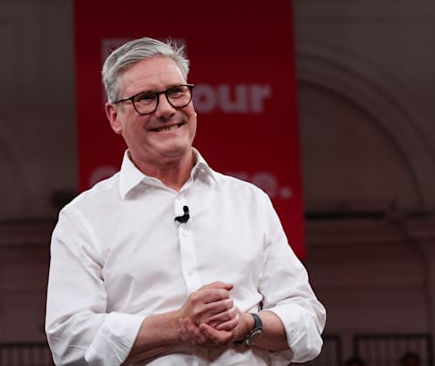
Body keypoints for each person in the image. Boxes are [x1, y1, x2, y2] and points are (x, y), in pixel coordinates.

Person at [45, 37, 326, 365]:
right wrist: (177, 325)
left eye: (176, 92)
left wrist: (247, 324)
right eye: (146, 98)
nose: (166, 109)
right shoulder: (83, 218)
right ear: (114, 117)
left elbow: (307, 320)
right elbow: (69, 341)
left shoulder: (250, 202)